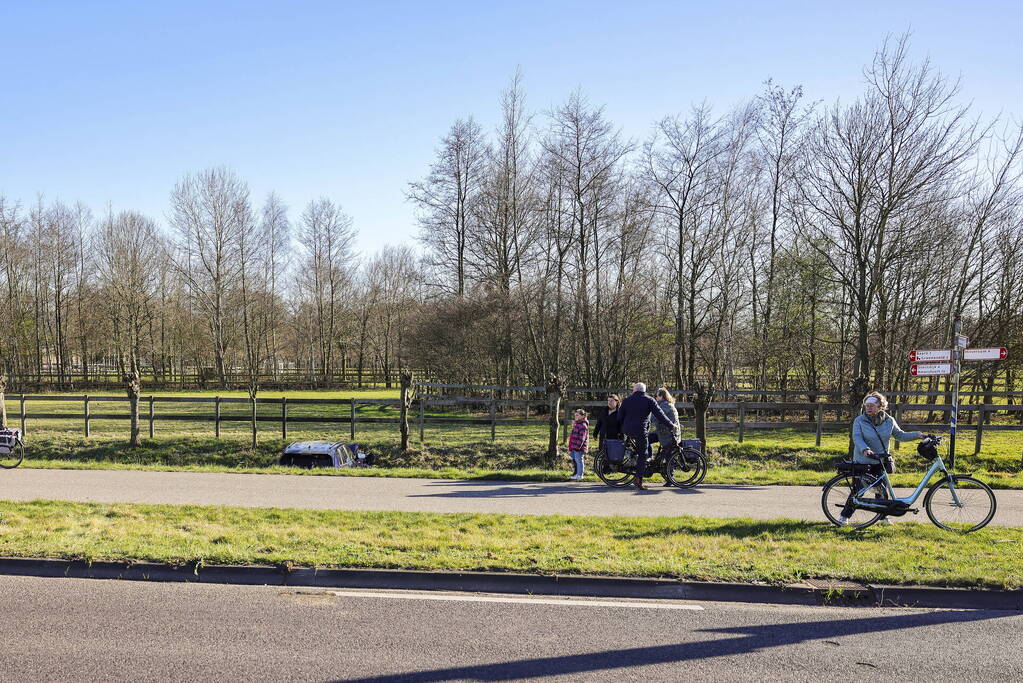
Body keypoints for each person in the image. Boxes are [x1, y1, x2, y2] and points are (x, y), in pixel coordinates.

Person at [838, 391, 924, 526]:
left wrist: (918, 435)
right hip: (863, 461)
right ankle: (844, 516)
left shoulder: (889, 421)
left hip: (880, 461)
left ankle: (883, 517)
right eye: (867, 405)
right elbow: (857, 437)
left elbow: (900, 435)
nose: (868, 408)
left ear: (880, 407)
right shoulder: (859, 420)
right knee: (858, 491)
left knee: (882, 491)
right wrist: (865, 449)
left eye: (872, 405)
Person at [618, 382, 673, 490]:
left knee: (641, 448)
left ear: (634, 390)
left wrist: (624, 427)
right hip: (640, 431)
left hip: (628, 430)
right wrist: (671, 425)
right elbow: (660, 415)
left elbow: (619, 417)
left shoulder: (626, 400)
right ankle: (638, 479)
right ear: (644, 390)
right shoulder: (649, 400)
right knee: (644, 454)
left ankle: (636, 464)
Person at [647, 387, 682, 487]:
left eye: (656, 396)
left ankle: (671, 479)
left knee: (668, 456)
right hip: (662, 433)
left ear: (661, 396)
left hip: (669, 435)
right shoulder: (663, 404)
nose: (655, 397)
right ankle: (650, 458)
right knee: (646, 439)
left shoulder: (665, 406)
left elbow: (655, 417)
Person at [567, 408, 590, 481]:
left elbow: (581, 438)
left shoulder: (583, 426)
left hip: (579, 447)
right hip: (575, 446)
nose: (575, 417)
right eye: (575, 415)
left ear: (583, 416)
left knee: (579, 461)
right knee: (576, 460)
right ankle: (576, 474)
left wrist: (577, 447)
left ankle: (580, 475)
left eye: (577, 415)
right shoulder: (577, 424)